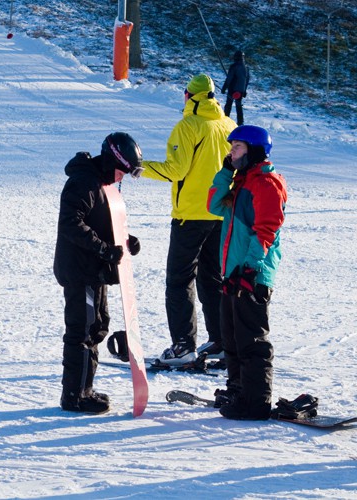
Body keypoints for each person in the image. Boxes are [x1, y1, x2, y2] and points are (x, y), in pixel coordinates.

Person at [142, 74, 237, 366]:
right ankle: (221, 341)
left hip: (190, 217)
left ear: (189, 96)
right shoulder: (229, 125)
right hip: (220, 214)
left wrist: (137, 167)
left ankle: (184, 346)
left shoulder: (188, 126)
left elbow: (176, 169)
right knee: (212, 279)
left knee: (179, 280)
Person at [53, 132, 144, 414]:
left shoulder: (104, 184)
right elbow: (71, 223)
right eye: (122, 171)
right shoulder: (82, 182)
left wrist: (125, 240)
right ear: (110, 160)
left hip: (94, 270)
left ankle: (85, 388)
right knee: (81, 330)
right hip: (79, 270)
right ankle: (74, 396)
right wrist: (104, 249)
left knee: (97, 326)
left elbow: (104, 221)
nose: (122, 177)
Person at [207, 125, 287, 420]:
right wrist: (227, 170)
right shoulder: (241, 181)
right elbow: (213, 204)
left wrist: (250, 268)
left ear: (253, 150)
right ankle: (238, 391)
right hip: (232, 273)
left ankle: (256, 401)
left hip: (251, 274)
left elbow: (267, 228)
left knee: (251, 340)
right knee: (231, 339)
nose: (231, 152)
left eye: (237, 148)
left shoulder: (266, 183)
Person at [221, 50, 250, 126]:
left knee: (228, 105)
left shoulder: (234, 66)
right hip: (240, 91)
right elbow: (247, 80)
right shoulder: (246, 68)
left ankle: (224, 120)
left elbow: (229, 78)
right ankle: (240, 122)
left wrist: (224, 87)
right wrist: (244, 90)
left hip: (232, 89)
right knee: (238, 106)